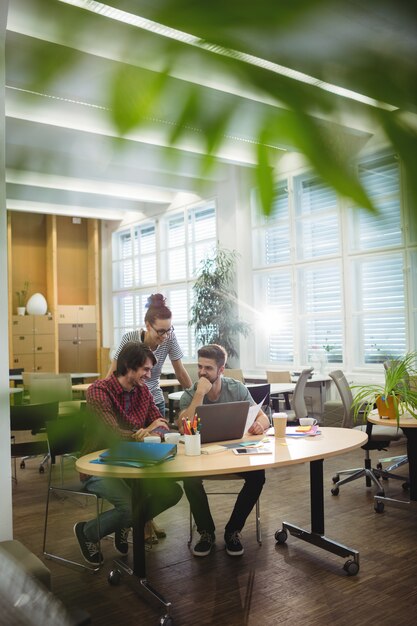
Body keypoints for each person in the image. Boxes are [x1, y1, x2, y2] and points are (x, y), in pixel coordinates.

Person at [74, 342, 183, 565]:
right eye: (145, 369)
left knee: (172, 492)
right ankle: (87, 532)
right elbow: (111, 433)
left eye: (150, 370)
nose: (149, 375)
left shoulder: (143, 391)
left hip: (134, 463)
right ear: (128, 366)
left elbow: (161, 424)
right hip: (98, 465)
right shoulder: (99, 391)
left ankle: (124, 524)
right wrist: (142, 433)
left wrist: (153, 429)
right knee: (130, 508)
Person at [178, 344, 269, 558]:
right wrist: (199, 394)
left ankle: (233, 531)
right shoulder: (191, 393)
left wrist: (260, 426)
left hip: (232, 455)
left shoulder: (236, 388)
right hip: (200, 458)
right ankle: (206, 532)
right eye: (199, 366)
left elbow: (263, 417)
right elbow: (184, 427)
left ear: (221, 370)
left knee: (258, 476)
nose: (201, 372)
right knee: (189, 479)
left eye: (208, 368)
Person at [107, 293, 192, 417]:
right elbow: (113, 372)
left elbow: (180, 372)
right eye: (161, 331)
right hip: (129, 401)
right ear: (148, 325)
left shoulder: (170, 338)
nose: (165, 336)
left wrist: (194, 396)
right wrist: (104, 397)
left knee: (159, 433)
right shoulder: (130, 339)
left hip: (154, 401)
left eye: (169, 330)